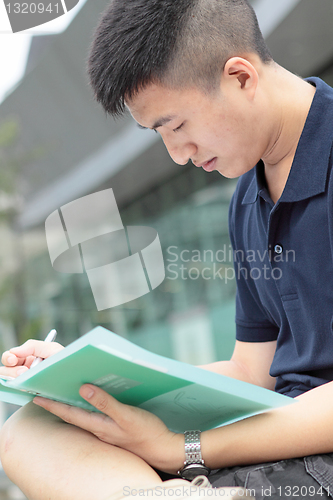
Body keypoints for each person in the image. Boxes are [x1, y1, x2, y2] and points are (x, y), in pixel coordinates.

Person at [1, 0, 333, 498]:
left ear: (240, 77)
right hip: (268, 450)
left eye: (176, 126)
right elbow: (251, 371)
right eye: (160, 134)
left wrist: (187, 448)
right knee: (30, 430)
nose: (178, 154)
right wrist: (89, 382)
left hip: (315, 458)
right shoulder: (247, 198)